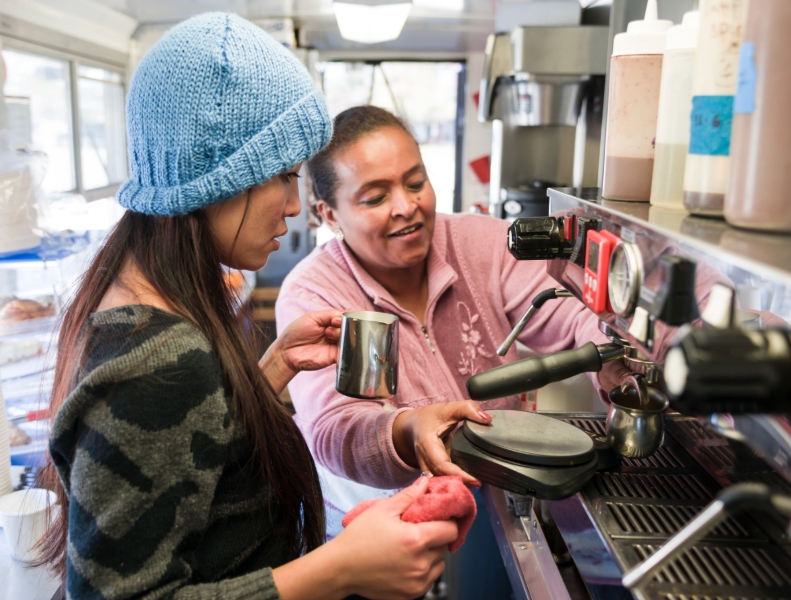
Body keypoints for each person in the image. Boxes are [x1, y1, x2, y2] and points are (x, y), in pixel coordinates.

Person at [36, 15, 459, 600]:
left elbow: (197, 478)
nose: (293, 206)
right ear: (220, 178)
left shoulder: (146, 300)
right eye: (284, 177)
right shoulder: (157, 359)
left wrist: (271, 371)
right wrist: (342, 568)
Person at [275, 105, 629, 598]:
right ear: (328, 214)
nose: (406, 206)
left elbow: (570, 316)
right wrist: (408, 429)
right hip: (378, 525)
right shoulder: (312, 293)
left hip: (491, 494)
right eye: (376, 196)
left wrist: (615, 360)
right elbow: (335, 430)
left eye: (416, 183)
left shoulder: (480, 244)